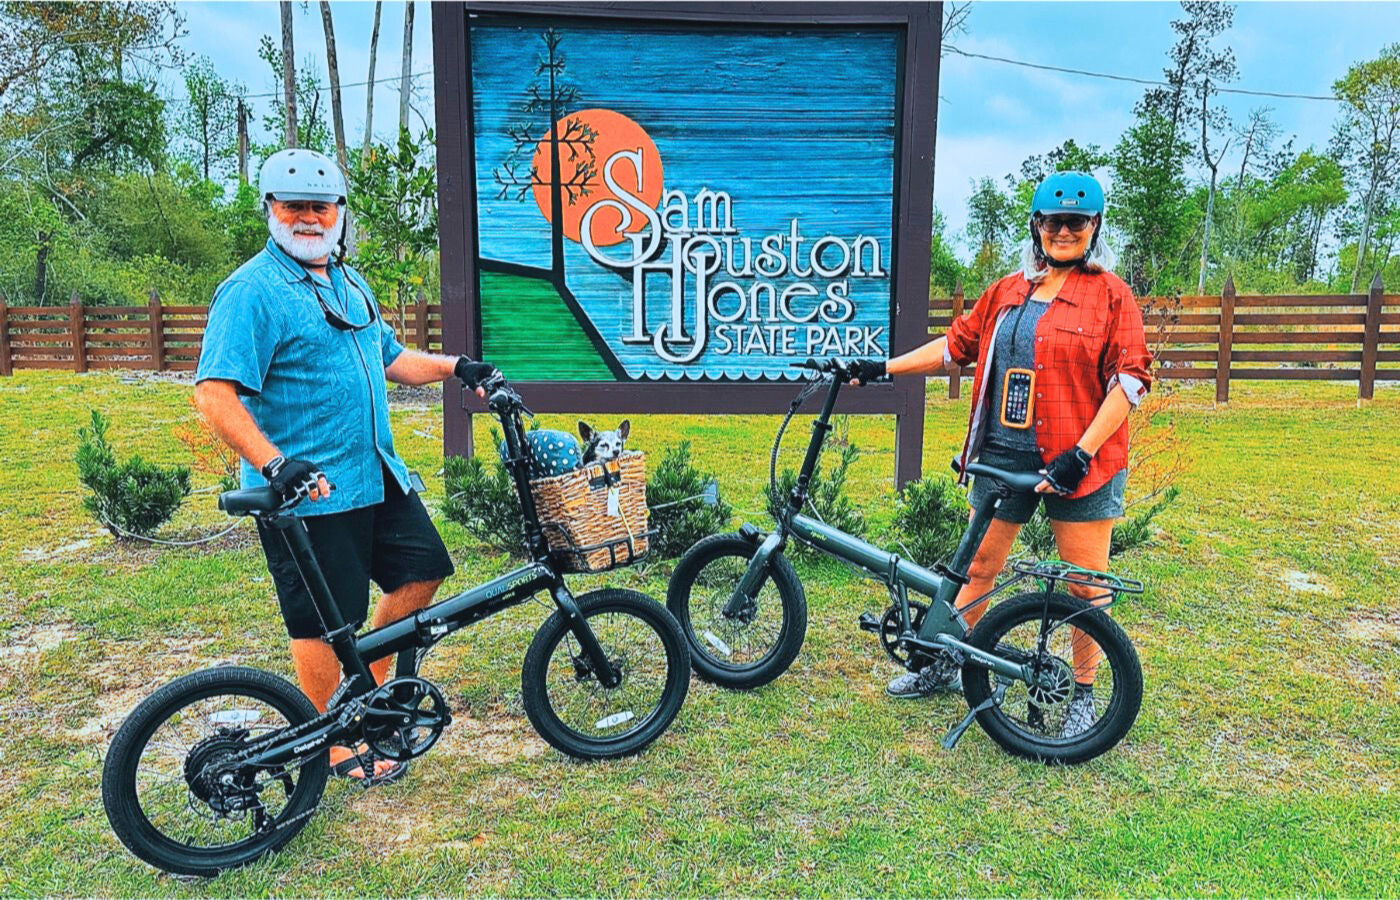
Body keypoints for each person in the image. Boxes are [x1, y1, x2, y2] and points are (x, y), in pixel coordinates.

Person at [194, 148, 499, 782]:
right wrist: (275, 465)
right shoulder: (250, 291)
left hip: (375, 475)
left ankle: (367, 694)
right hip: (305, 492)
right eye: (294, 205)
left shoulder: (347, 279)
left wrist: (455, 367)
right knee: (322, 621)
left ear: (338, 212)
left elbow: (390, 357)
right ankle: (329, 742)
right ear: (271, 210)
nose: (308, 217)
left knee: (423, 573)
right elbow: (213, 394)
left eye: (320, 205)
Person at [848, 171, 1152, 737]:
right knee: (979, 568)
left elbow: (1131, 380)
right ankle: (947, 659)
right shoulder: (1008, 290)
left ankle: (1081, 693)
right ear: (1037, 227)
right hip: (1000, 457)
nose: (1064, 230)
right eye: (1053, 221)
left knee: (1084, 584)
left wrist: (1081, 454)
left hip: (1076, 464)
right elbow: (955, 346)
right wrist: (882, 368)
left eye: (1076, 222)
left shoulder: (1112, 294)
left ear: (1094, 228)